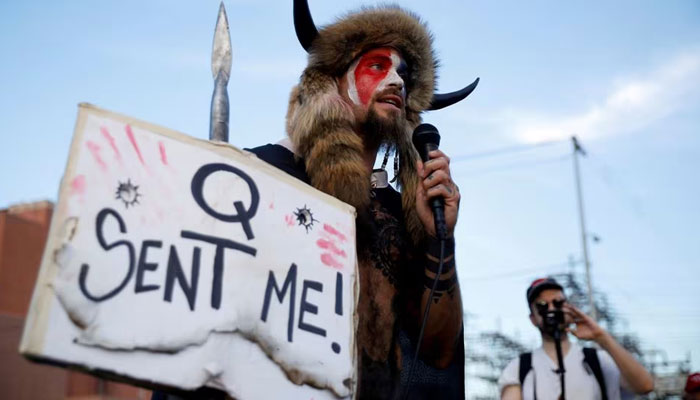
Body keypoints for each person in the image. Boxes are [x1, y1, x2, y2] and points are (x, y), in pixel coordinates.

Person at [247, 1, 479, 398]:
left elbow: (438, 351)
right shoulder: (263, 174)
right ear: (333, 83)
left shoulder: (400, 212)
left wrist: (441, 237)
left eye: (403, 74)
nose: (398, 82)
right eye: (377, 66)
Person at [498, 278, 654, 400]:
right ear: (533, 318)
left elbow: (644, 386)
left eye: (558, 303)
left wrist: (602, 337)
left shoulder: (598, 360)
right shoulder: (518, 368)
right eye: (542, 305)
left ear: (568, 308)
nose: (551, 309)